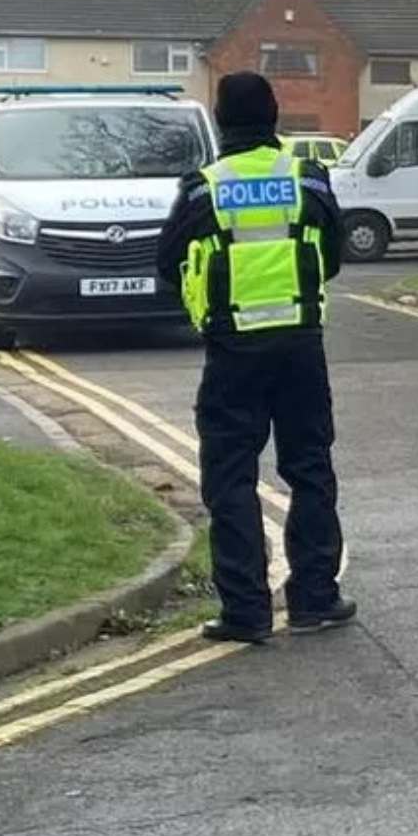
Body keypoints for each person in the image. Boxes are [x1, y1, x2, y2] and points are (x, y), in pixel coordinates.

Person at [155, 71, 356, 644]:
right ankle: (316, 598)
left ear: (221, 123)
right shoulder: (307, 178)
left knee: (231, 479)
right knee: (310, 469)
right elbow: (335, 254)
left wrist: (208, 296)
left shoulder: (203, 187)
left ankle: (246, 612)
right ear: (274, 119)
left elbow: (166, 260)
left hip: (232, 350)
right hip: (300, 344)